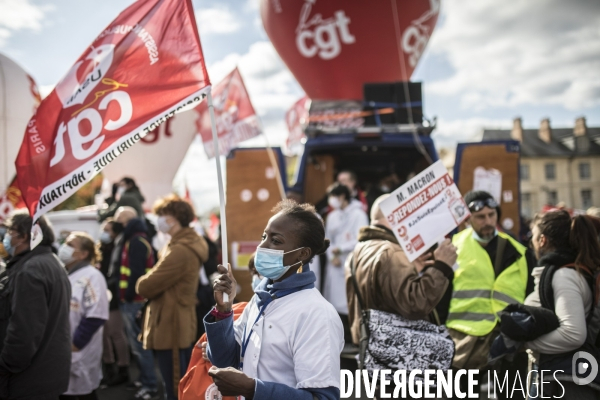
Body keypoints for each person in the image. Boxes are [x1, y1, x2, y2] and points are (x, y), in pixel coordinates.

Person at [204, 200, 344, 399]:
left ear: (302, 254)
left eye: (276, 241)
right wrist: (223, 312)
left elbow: (322, 397)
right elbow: (225, 360)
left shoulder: (317, 313)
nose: (262, 246)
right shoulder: (260, 300)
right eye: (264, 236)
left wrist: (252, 389)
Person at [345, 195, 457, 395]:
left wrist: (413, 269)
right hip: (403, 362)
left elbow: (381, 294)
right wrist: (441, 266)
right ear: (396, 217)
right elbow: (415, 303)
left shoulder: (358, 251)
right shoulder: (392, 253)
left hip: (377, 356)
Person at [445, 190, 535, 398]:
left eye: (491, 215)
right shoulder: (454, 248)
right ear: (468, 219)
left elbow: (530, 293)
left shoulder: (518, 250)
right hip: (464, 339)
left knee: (512, 394)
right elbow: (442, 295)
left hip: (508, 338)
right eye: (480, 217)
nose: (487, 221)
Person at [137, 195, 209, 400]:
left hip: (172, 324)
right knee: (177, 384)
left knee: (175, 386)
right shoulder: (180, 244)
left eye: (162, 215)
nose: (158, 219)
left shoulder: (180, 250)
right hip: (174, 321)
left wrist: (144, 279)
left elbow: (146, 286)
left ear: (174, 218)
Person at [525, 211, 600, 398]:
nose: (531, 242)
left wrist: (524, 341)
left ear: (542, 240)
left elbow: (573, 334)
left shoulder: (564, 276)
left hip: (567, 381)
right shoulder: (562, 272)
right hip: (561, 377)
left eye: (532, 237)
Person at [0, 210, 71, 399]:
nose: (6, 236)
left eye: (9, 231)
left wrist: (5, 365)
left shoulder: (29, 270)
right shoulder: (50, 262)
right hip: (46, 373)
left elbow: (24, 330)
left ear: (24, 236)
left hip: (28, 379)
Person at [114, 206, 159, 399]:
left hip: (135, 301)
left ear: (126, 222)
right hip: (133, 300)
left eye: (120, 221)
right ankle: (144, 379)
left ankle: (150, 385)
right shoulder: (136, 239)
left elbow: (137, 272)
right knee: (137, 346)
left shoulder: (137, 241)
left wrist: (130, 295)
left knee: (140, 346)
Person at [60, 232, 109, 400]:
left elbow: (96, 315)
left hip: (79, 351)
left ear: (83, 254)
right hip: (65, 351)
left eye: (70, 245)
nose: (64, 248)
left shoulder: (93, 276)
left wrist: (76, 344)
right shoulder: (68, 274)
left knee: (83, 393)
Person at [323, 183, 368, 341]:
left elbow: (361, 238)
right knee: (333, 304)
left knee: (350, 302)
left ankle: (352, 338)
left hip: (350, 262)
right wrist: (332, 255)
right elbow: (327, 239)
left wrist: (340, 249)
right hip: (334, 265)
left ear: (342, 197)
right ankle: (337, 337)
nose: (331, 201)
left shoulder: (359, 214)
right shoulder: (332, 216)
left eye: (333, 197)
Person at [98, 220, 130, 387]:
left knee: (115, 333)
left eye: (107, 230)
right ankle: (109, 368)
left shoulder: (119, 248)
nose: (104, 233)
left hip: (113, 298)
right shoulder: (101, 249)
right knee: (104, 334)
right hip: (101, 295)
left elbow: (116, 275)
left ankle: (123, 369)